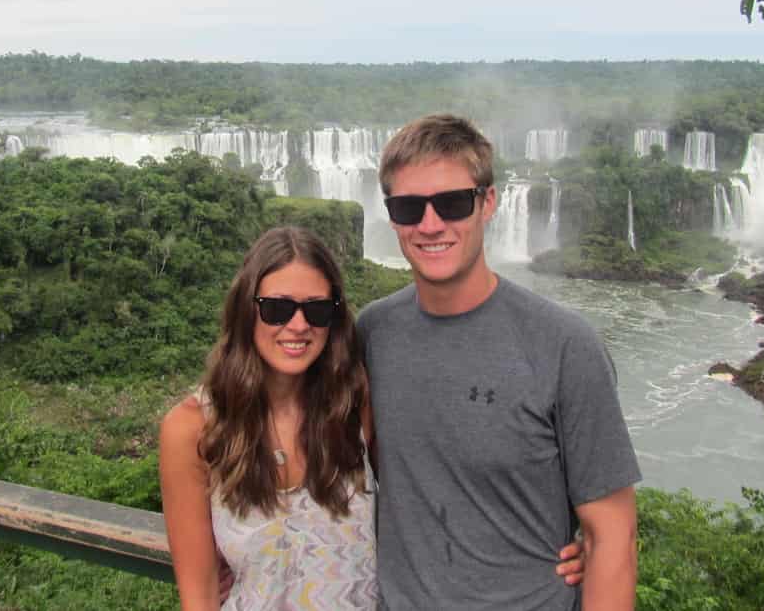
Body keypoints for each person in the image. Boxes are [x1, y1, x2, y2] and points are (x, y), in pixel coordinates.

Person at [160, 225, 587, 610]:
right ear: (246, 310)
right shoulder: (194, 429)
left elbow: (432, 492)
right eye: (276, 308)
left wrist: (549, 542)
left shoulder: (352, 405)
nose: (297, 325)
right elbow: (198, 596)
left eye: (317, 310)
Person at [358, 114, 640, 610]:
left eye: (451, 203)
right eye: (408, 207)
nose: (430, 225)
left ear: (488, 203)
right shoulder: (372, 334)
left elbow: (613, 538)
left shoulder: (566, 346)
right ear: (391, 215)